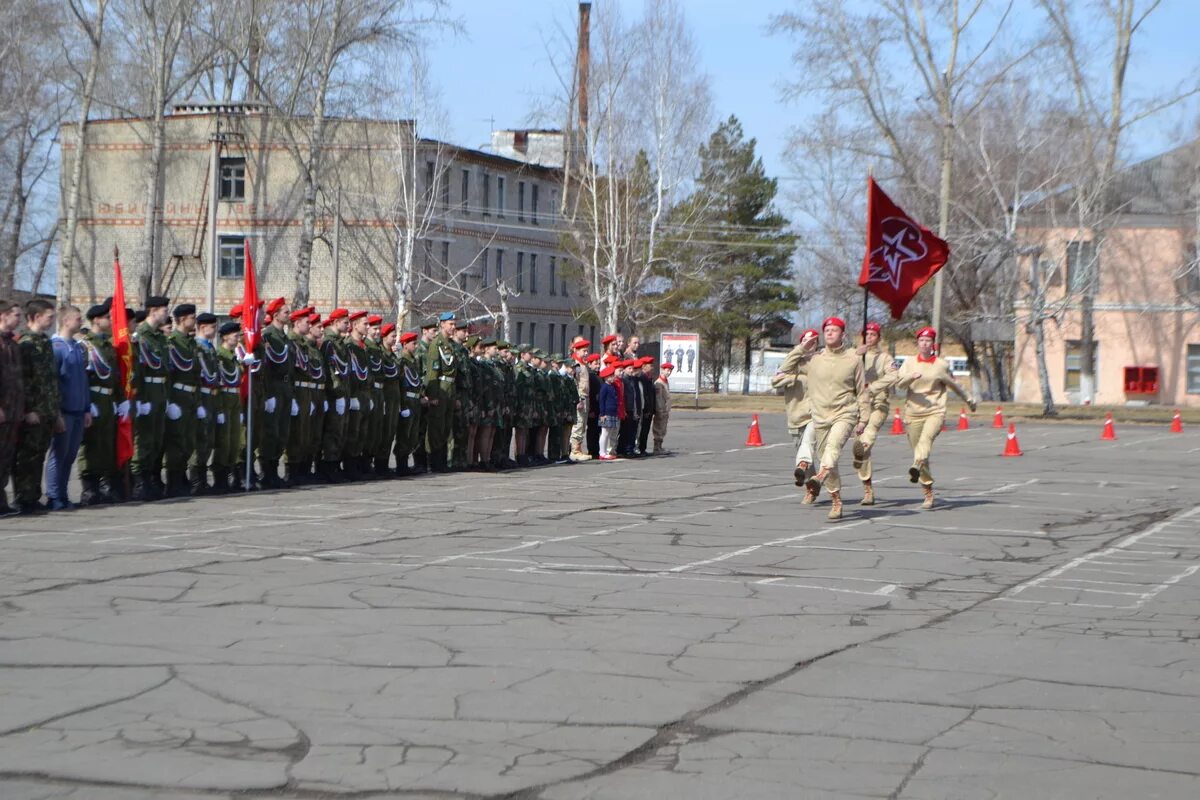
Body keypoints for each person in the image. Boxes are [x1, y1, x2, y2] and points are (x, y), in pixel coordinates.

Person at [790, 317, 869, 520]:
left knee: (833, 448)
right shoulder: (814, 360)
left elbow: (861, 391)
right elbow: (787, 366)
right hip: (820, 416)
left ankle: (821, 475)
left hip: (845, 413)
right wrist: (801, 348)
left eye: (835, 330)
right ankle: (836, 499)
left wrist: (864, 418)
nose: (830, 333)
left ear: (843, 334)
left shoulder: (853, 360)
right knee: (826, 455)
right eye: (827, 330)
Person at [892, 326, 976, 509]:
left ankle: (916, 465)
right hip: (913, 413)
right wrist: (910, 377)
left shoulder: (941, 365)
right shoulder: (909, 363)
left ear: (933, 344)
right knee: (921, 453)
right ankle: (927, 490)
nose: (924, 344)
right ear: (917, 343)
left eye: (928, 341)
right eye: (921, 341)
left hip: (935, 412)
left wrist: (969, 399)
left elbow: (954, 385)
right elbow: (899, 385)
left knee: (926, 441)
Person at [13, 299, 61, 514]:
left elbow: (51, 381)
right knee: (27, 456)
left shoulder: (45, 342)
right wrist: (29, 409)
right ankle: (24, 497)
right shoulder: (25, 344)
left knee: (39, 455)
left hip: (48, 410)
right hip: (33, 411)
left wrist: (55, 411)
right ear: (35, 317)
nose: (52, 321)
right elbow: (23, 381)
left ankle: (33, 496)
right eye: (49, 316)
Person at [77, 300, 124, 505]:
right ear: (96, 320)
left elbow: (114, 376)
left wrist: (118, 400)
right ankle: (89, 489)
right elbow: (82, 377)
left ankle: (104, 486)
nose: (110, 320)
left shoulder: (107, 345)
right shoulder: (86, 345)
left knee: (106, 444)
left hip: (107, 398)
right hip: (94, 398)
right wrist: (88, 403)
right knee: (90, 445)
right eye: (107, 317)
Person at [46, 304, 91, 510]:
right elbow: (52, 383)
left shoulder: (78, 347)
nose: (80, 322)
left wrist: (87, 408)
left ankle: (63, 494)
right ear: (66, 321)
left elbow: (83, 381)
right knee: (58, 455)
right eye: (77, 319)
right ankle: (54, 496)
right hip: (64, 411)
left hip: (78, 411)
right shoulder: (56, 347)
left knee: (70, 456)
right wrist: (56, 413)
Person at [852, 321, 895, 506]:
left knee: (866, 440)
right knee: (861, 449)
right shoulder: (854, 355)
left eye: (873, 334)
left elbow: (893, 375)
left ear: (878, 338)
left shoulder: (885, 358)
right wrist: (855, 356)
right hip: (857, 407)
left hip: (878, 405)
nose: (869, 337)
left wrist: (873, 388)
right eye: (866, 334)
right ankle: (867, 488)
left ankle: (863, 449)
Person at [776, 328, 821, 501]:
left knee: (807, 446)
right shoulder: (793, 361)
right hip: (795, 416)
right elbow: (781, 372)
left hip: (815, 415)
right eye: (807, 340)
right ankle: (812, 486)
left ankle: (801, 465)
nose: (810, 344)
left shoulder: (820, 361)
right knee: (805, 449)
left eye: (814, 341)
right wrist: (800, 350)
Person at [256, 297, 293, 489]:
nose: (289, 315)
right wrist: (268, 393)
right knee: (271, 431)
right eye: (286, 312)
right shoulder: (268, 336)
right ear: (276, 314)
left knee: (282, 432)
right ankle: (266, 472)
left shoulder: (284, 337)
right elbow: (266, 367)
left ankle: (274, 469)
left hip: (286, 388)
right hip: (274, 387)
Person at [164, 303, 200, 498]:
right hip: (177, 396)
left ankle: (181, 476)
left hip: (191, 396)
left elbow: (196, 374)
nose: (194, 320)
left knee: (188, 441)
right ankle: (173, 480)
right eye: (191, 317)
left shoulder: (190, 343)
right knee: (176, 442)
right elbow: (168, 374)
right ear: (180, 320)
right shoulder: (172, 343)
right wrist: (169, 401)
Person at [423, 312, 458, 473]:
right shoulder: (436, 344)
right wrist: (433, 395)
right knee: (436, 426)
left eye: (454, 324)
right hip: (440, 388)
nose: (453, 327)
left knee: (446, 426)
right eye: (451, 324)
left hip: (449, 389)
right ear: (442, 324)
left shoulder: (449, 344)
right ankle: (434, 461)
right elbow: (432, 372)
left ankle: (442, 460)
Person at [0, 298, 25, 516]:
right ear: (3, 315)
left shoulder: (13, 344)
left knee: (6, 458)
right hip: (2, 410)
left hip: (13, 411)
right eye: (15, 315)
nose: (19, 319)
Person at [190, 312, 219, 495]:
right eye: (213, 327)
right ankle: (195, 480)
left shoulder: (209, 347)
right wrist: (199, 402)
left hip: (211, 397)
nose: (215, 330)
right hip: (201, 397)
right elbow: (196, 377)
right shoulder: (197, 347)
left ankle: (201, 478)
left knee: (208, 439)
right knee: (200, 439)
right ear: (202, 327)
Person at [596, 365, 620, 460]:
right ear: (606, 377)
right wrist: (602, 414)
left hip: (613, 412)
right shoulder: (604, 387)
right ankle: (601, 452)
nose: (613, 377)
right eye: (611, 376)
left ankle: (605, 451)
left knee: (609, 433)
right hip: (606, 413)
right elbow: (601, 401)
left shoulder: (612, 386)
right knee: (604, 433)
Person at [637, 357, 657, 455]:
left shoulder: (649, 377)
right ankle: (640, 448)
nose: (652, 367)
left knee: (646, 429)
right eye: (650, 365)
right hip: (645, 409)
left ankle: (643, 448)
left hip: (649, 409)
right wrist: (647, 409)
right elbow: (645, 395)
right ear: (644, 366)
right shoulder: (642, 378)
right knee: (642, 430)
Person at [653, 362, 673, 453]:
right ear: (662, 370)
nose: (669, 372)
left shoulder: (665, 382)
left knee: (663, 428)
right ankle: (657, 447)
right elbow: (658, 398)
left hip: (665, 409)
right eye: (667, 370)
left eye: (670, 371)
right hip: (660, 410)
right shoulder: (659, 383)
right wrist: (660, 410)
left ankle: (660, 446)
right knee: (658, 428)